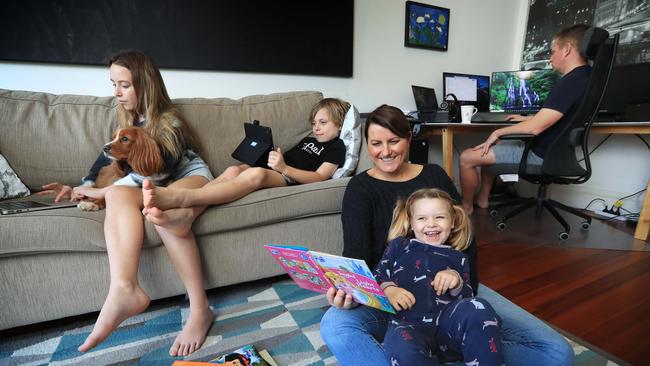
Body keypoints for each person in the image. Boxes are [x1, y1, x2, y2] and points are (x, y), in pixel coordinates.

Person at [319, 104, 574, 365]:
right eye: (376, 143)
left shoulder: (434, 174)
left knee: (556, 352)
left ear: (408, 138)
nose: (385, 151)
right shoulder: (360, 188)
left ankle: (447, 351)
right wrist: (351, 293)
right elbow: (355, 257)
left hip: (453, 291)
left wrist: (460, 287)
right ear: (367, 145)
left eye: (394, 141)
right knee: (335, 326)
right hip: (393, 300)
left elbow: (465, 241)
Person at [38, 50, 215, 356]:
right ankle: (124, 287)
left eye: (124, 85)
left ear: (145, 85)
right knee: (118, 194)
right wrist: (82, 188)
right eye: (113, 85)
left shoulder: (169, 120)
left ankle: (200, 309)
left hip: (187, 177)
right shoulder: (127, 120)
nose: (117, 93)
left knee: (162, 209)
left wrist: (106, 190)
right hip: (149, 183)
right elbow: (106, 159)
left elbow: (162, 171)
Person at [459, 24, 593, 214]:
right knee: (491, 148)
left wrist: (499, 131)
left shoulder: (570, 82)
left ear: (567, 49)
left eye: (553, 51)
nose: (550, 57)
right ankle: (483, 199)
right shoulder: (585, 77)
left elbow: (535, 129)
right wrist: (526, 118)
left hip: (540, 155)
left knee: (467, 157)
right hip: (558, 152)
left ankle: (465, 207)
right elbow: (560, 116)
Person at [139, 98, 348, 214]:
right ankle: (192, 210)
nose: (316, 128)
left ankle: (185, 198)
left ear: (339, 124)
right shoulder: (308, 140)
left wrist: (284, 168)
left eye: (323, 122)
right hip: (277, 168)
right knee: (233, 169)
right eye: (314, 123)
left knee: (256, 175)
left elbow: (320, 177)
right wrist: (273, 155)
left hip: (290, 177)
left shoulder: (336, 147)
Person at [377, 188, 504, 365]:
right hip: (408, 326)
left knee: (478, 307)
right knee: (400, 347)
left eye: (440, 217)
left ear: (452, 222)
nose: (431, 224)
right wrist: (389, 290)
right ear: (411, 224)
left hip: (449, 327)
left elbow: (468, 295)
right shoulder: (399, 246)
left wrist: (456, 280)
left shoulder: (458, 257)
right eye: (422, 218)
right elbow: (379, 274)